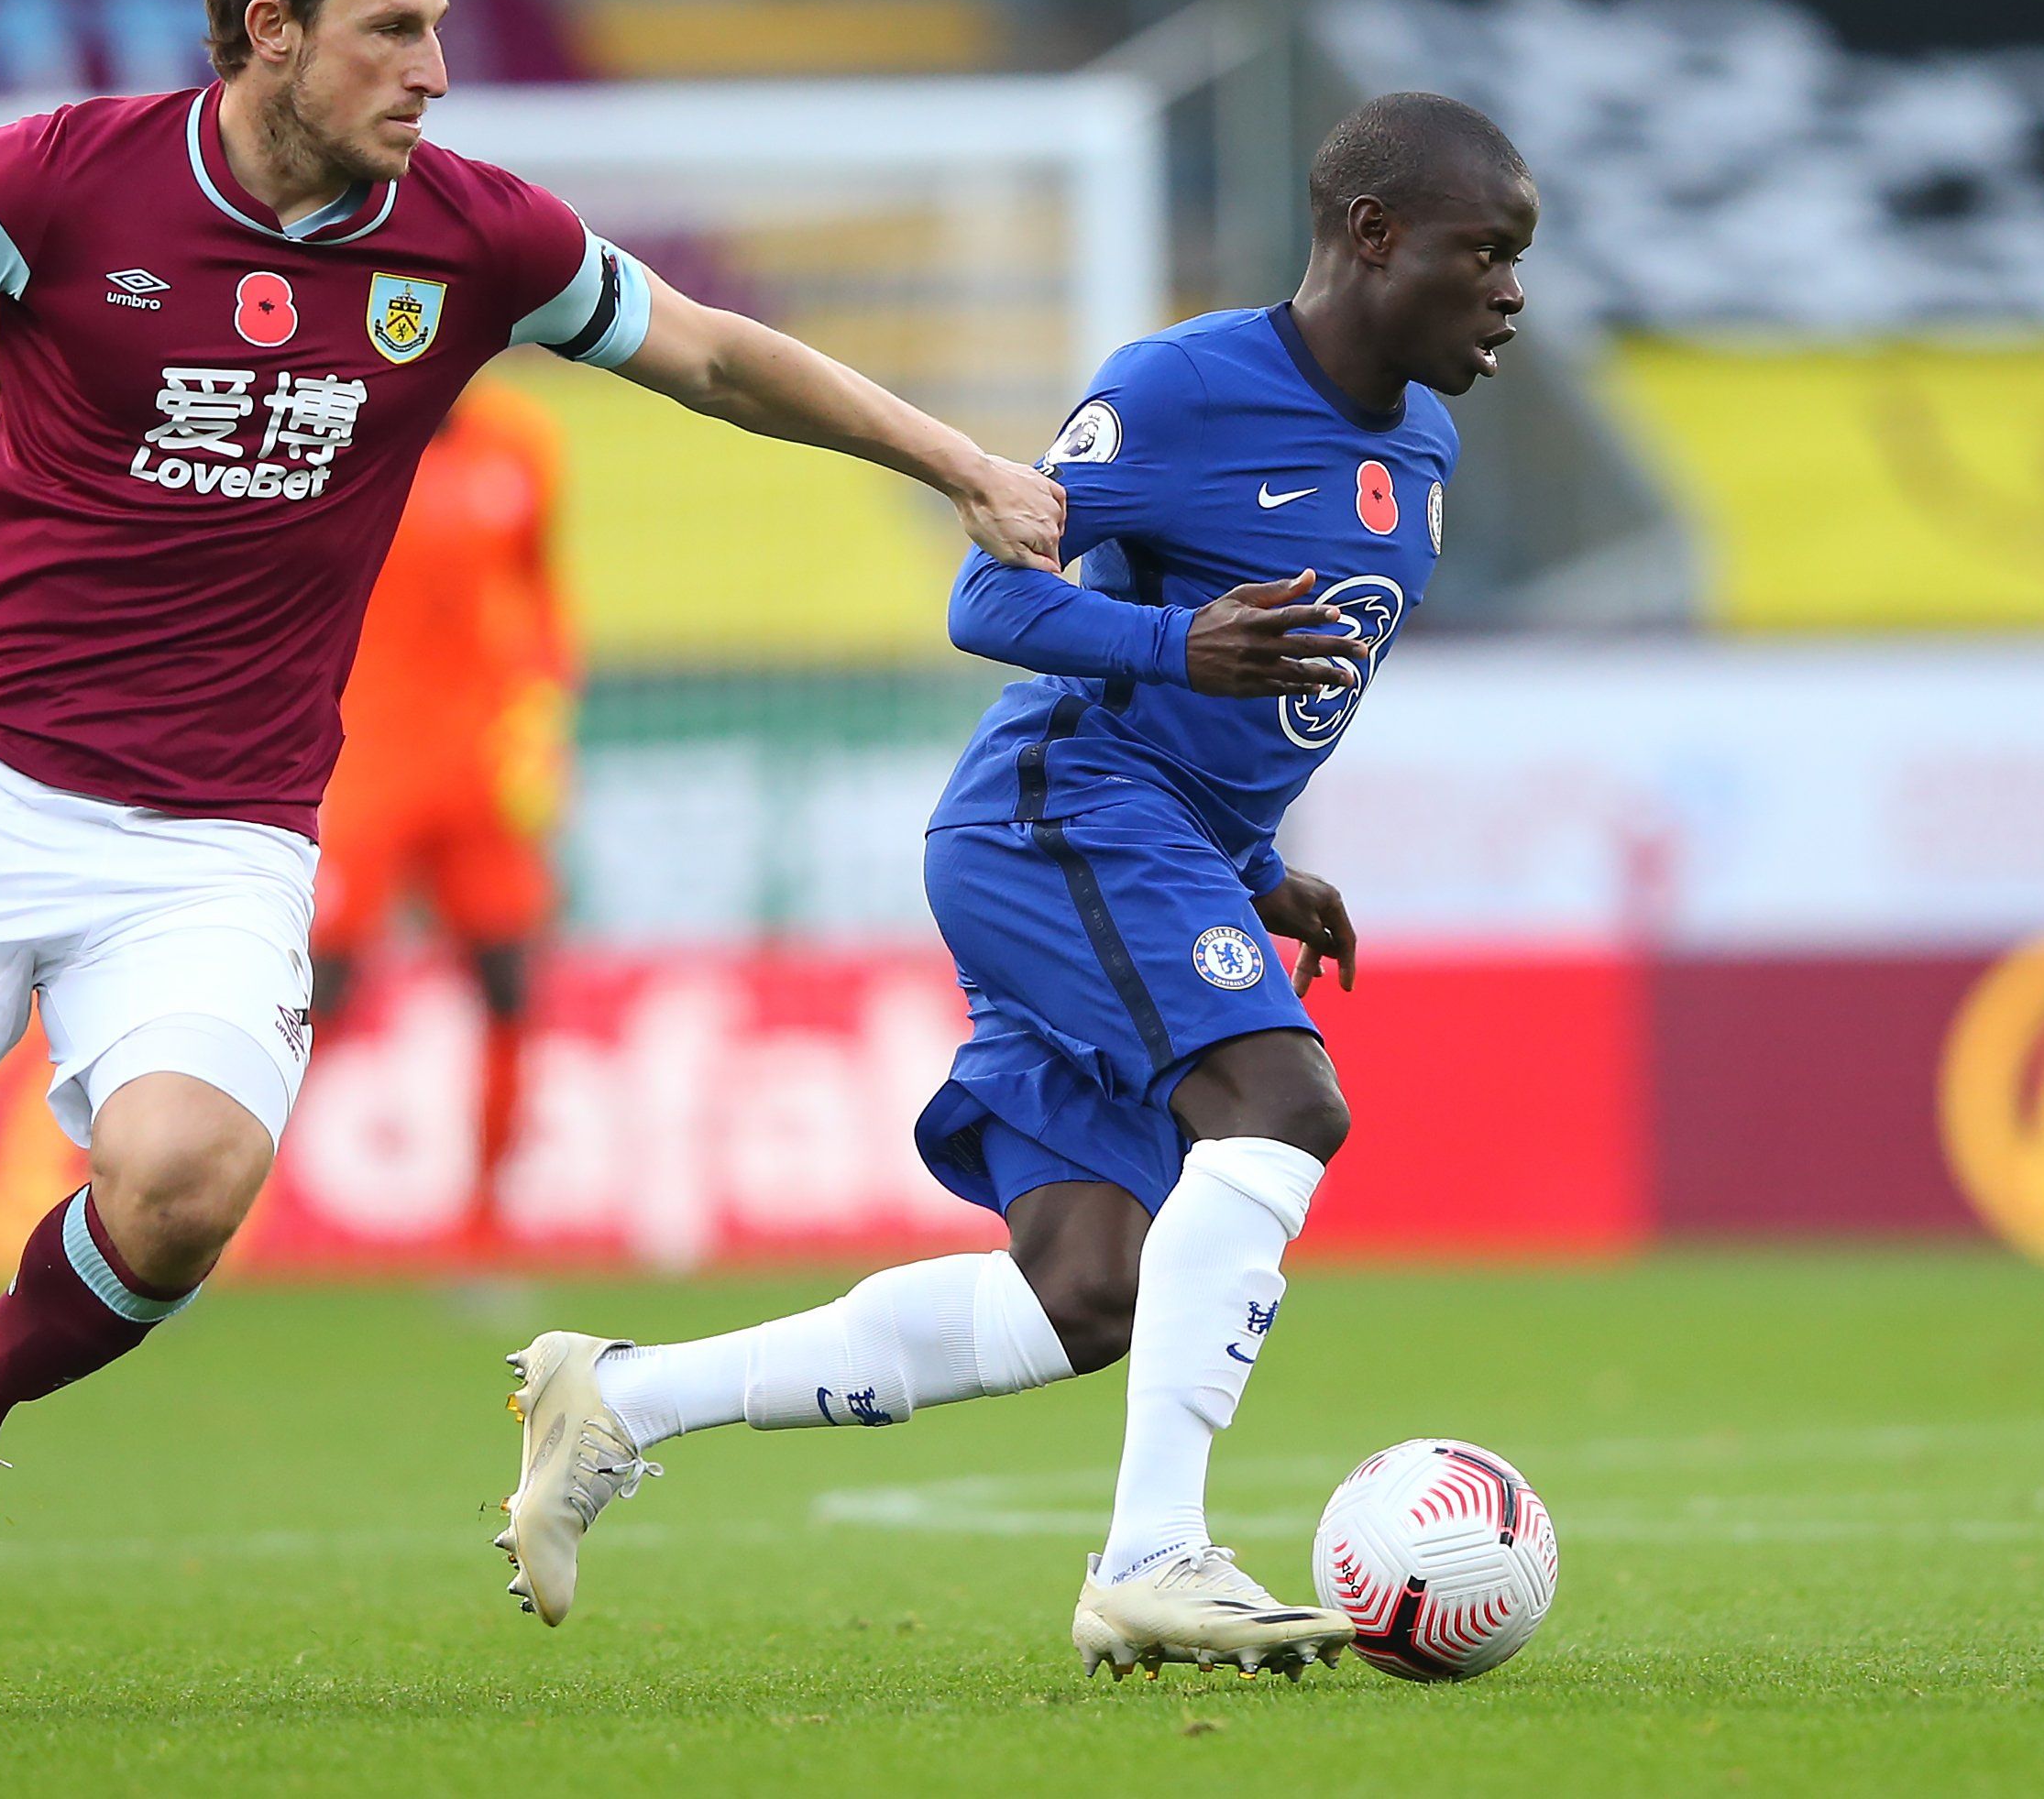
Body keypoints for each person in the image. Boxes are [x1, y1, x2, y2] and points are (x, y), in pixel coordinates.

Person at [0, 0, 1061, 1727]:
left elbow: (715, 354)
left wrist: (958, 464)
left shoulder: (474, 236)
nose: (433, 68)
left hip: (223, 828)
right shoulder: (61, 179)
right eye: (393, 31)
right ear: (272, 34)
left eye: (440, 28)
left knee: (181, 1188)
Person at [499, 92, 1532, 1678]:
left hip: (1156, 841)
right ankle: (1151, 1555)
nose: (1510, 292)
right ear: (1371, 236)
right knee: (1281, 1103)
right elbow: (990, 596)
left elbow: (1255, 706)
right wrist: (1167, 640)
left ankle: (619, 1398)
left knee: (1081, 1293)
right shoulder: (1182, 390)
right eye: (1486, 251)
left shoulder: (1425, 442)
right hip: (1054, 814)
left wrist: (1251, 866)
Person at [309, 374, 570, 1243]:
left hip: (477, 768)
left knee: (507, 983)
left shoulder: (518, 444)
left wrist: (538, 718)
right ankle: (208, 1212)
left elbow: (542, 600)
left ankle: (485, 1230)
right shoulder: (343, 435)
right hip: (363, 759)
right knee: (315, 991)